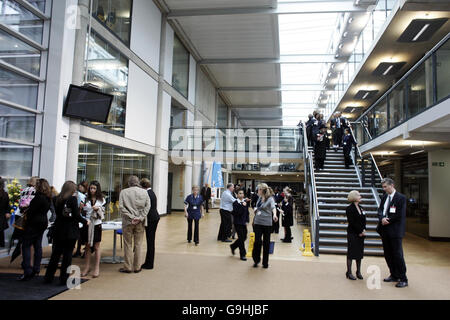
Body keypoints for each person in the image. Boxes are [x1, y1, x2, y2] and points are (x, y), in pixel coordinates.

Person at [44, 181, 89, 285]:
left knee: (55, 255)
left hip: (58, 229)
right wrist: (86, 221)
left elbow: (61, 213)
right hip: (70, 230)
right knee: (67, 256)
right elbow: (76, 216)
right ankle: (63, 278)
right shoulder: (72, 199)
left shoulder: (56, 199)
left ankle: (48, 277)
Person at [376, 178, 408, 288]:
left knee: (398, 255)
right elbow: (380, 210)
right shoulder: (384, 197)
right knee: (388, 254)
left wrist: (387, 220)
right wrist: (381, 218)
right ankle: (393, 275)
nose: (384, 189)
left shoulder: (401, 198)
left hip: (395, 231)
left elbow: (400, 214)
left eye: (385, 187)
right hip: (384, 230)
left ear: (392, 185)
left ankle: (403, 278)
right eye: (383, 187)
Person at [19, 179, 51, 281]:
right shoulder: (47, 198)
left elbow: (31, 211)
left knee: (26, 245)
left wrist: (26, 210)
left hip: (33, 223)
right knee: (38, 245)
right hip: (42, 222)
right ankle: (36, 268)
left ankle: (27, 269)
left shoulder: (38, 198)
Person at [119, 176, 150, 274]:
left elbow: (121, 207)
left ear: (129, 183)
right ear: (138, 183)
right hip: (140, 222)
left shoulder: (123, 192)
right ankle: (137, 267)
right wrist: (140, 217)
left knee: (127, 244)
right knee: (138, 244)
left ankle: (127, 267)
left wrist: (131, 217)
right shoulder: (144, 192)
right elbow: (148, 206)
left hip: (128, 222)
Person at [81, 181, 105, 278]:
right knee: (87, 246)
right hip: (87, 223)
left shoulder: (102, 199)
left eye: (94, 188)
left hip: (97, 224)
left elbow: (102, 211)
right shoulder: (85, 198)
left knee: (96, 246)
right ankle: (86, 267)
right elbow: (83, 210)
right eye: (91, 188)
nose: (92, 190)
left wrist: (97, 209)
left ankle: (96, 268)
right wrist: (81, 207)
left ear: (97, 189)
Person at [252, 183, 278, 269]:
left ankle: (265, 262)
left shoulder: (270, 199)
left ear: (262, 190)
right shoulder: (259, 198)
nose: (257, 191)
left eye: (258, 189)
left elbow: (273, 207)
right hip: (258, 222)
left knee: (266, 243)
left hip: (267, 223)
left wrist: (274, 215)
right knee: (257, 242)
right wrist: (255, 210)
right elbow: (257, 207)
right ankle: (256, 260)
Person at [346, 190, 366, 280]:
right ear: (354, 197)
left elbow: (363, 220)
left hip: (361, 233)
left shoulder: (361, 208)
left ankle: (358, 271)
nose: (360, 196)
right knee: (351, 252)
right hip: (353, 233)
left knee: (359, 253)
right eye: (358, 195)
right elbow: (352, 222)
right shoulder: (349, 208)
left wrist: (364, 230)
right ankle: (349, 272)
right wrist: (360, 231)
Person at [140, 178, 160, 270]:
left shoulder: (147, 194)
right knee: (151, 241)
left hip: (151, 219)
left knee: (150, 241)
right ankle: (149, 262)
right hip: (154, 217)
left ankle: (149, 263)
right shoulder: (151, 192)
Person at [230, 189, 250, 261]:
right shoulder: (235, 203)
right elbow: (237, 213)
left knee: (244, 237)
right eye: (240, 193)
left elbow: (247, 213)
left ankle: (233, 246)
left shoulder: (245, 202)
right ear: (237, 195)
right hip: (238, 223)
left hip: (244, 223)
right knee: (241, 238)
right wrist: (242, 206)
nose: (241, 195)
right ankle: (243, 254)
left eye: (242, 193)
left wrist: (247, 220)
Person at [73, 181, 88, 258]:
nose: (79, 188)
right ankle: (78, 250)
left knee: (84, 236)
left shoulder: (86, 196)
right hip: (80, 217)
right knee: (79, 235)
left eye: (81, 187)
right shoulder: (79, 195)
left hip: (85, 217)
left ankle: (85, 251)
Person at [0, 179, 10, 248]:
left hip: (1, 215)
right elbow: (8, 206)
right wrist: (7, 212)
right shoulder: (5, 194)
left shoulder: (4, 194)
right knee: (1, 233)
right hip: (2, 216)